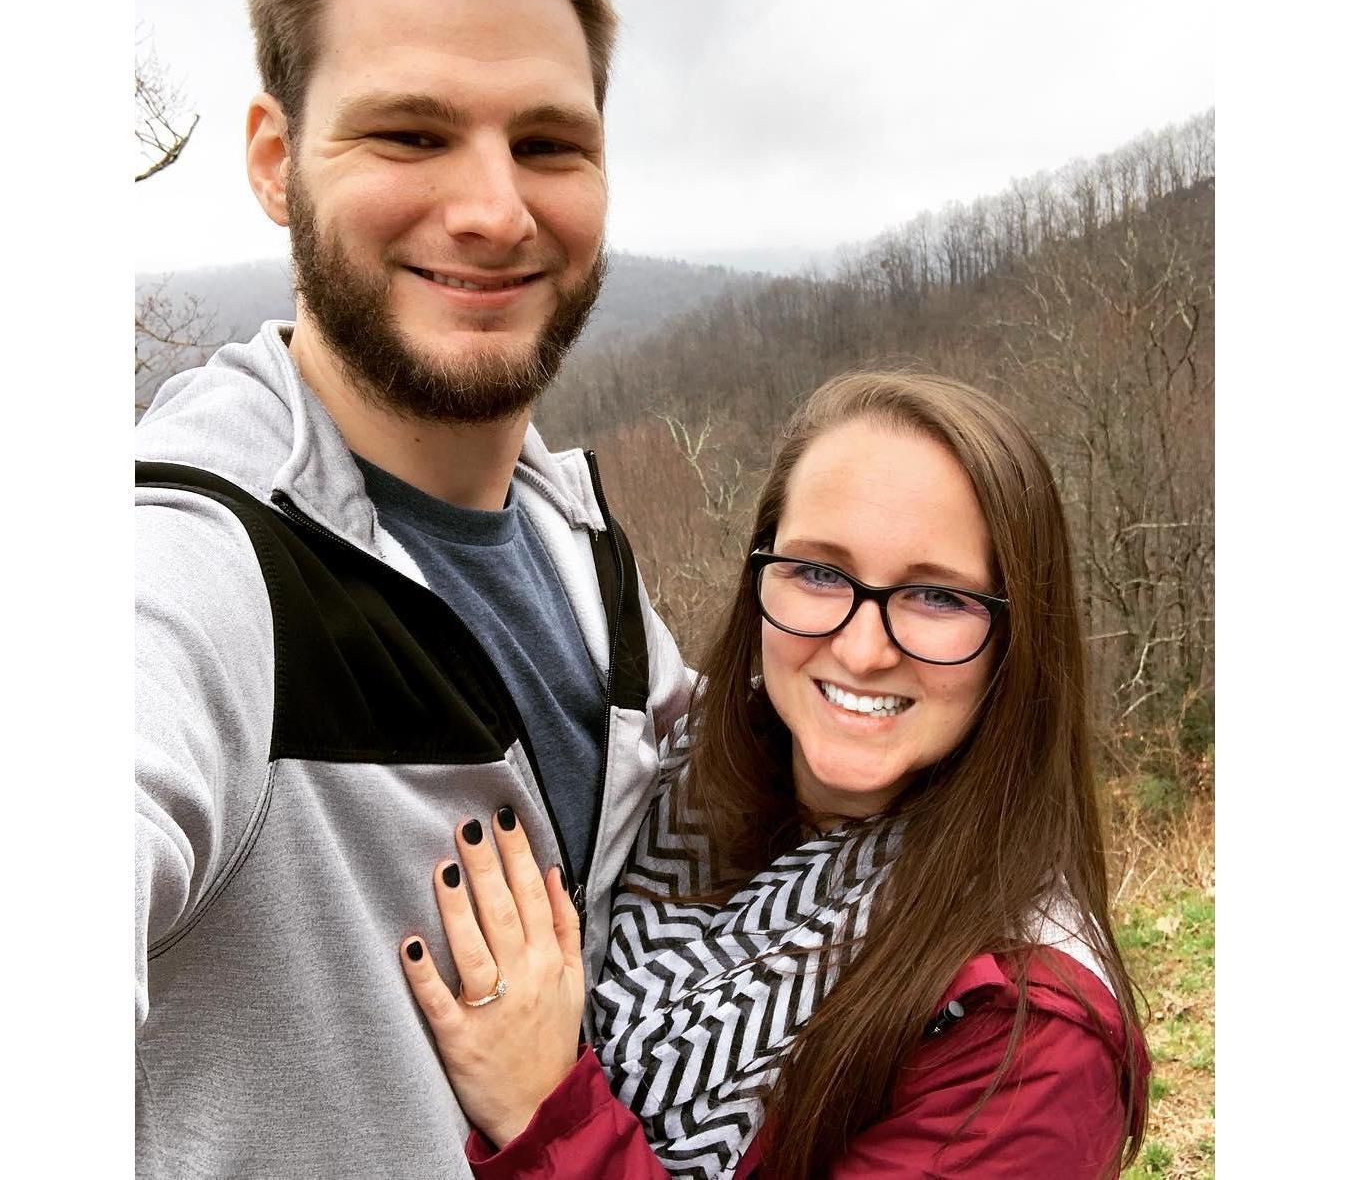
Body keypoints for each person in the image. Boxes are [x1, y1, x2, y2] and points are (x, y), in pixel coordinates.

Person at [134, 0, 690, 1178]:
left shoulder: (575, 538)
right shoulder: (195, 566)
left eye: (547, 144)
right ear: (277, 162)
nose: (494, 211)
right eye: (410, 134)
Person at [399, 370, 1150, 1178]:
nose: (862, 650)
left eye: (937, 596)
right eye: (819, 573)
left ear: (1016, 638)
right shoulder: (670, 780)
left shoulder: (1030, 1043)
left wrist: (545, 1110)